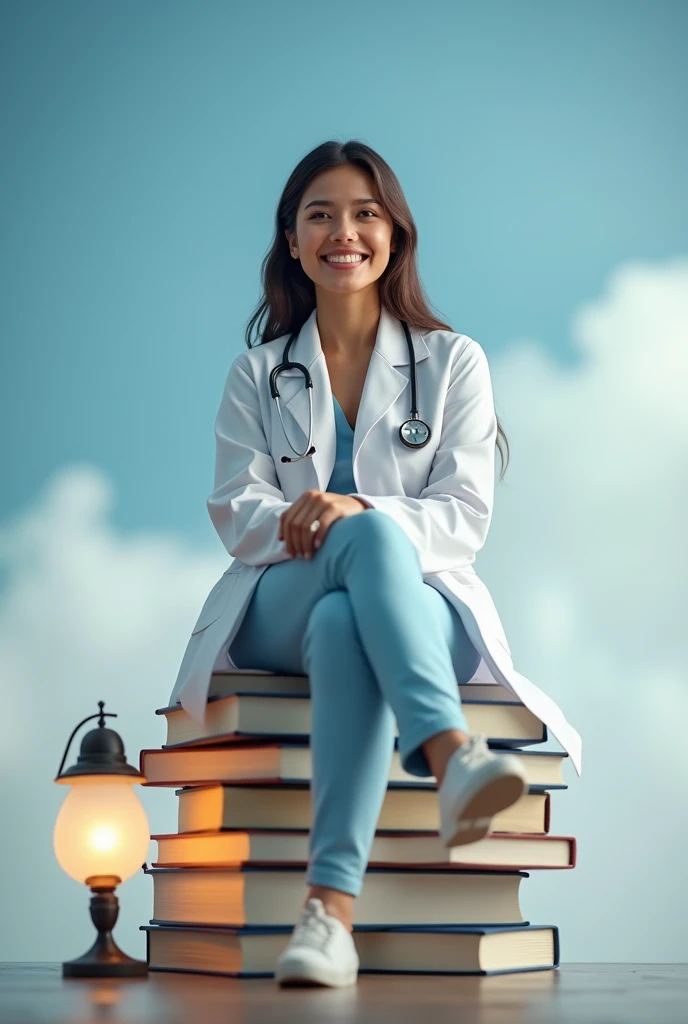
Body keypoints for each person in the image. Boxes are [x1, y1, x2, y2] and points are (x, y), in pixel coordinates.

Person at [203, 139, 533, 987]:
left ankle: (327, 918)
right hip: (281, 592)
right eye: (319, 215)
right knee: (356, 561)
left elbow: (463, 520)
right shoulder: (257, 374)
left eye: (364, 213)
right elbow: (239, 518)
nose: (341, 232)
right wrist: (329, 526)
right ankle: (452, 756)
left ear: (395, 235)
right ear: (291, 240)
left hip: (423, 605)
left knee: (351, 615)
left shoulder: (454, 361)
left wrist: (358, 509)